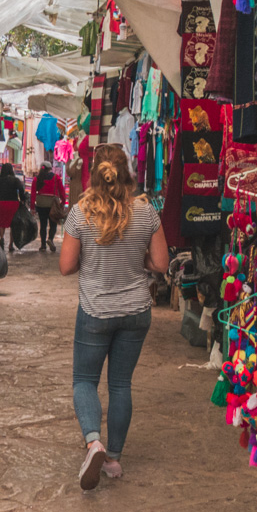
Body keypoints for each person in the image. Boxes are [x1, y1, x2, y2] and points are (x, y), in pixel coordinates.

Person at [58, 144, 167, 490]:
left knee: (84, 381)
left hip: (95, 311)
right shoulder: (146, 212)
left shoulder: (80, 213)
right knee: (121, 385)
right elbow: (162, 265)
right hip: (136, 311)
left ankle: (94, 443)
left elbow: (65, 266)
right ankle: (114, 459)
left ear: (94, 173)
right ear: (128, 173)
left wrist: (91, 260)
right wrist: (139, 262)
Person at [31, 162, 66, 252]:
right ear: (50, 168)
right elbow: (62, 191)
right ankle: (50, 239)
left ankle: (43, 245)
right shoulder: (56, 178)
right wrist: (62, 203)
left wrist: (32, 208)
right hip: (52, 204)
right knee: (53, 224)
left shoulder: (37, 179)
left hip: (41, 204)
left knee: (43, 224)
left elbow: (33, 194)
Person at [0, 163, 26, 252]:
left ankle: (1, 238)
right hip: (13, 203)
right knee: (13, 224)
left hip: (2, 203)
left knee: (2, 223)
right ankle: (11, 244)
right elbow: (21, 190)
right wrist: (22, 199)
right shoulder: (15, 180)